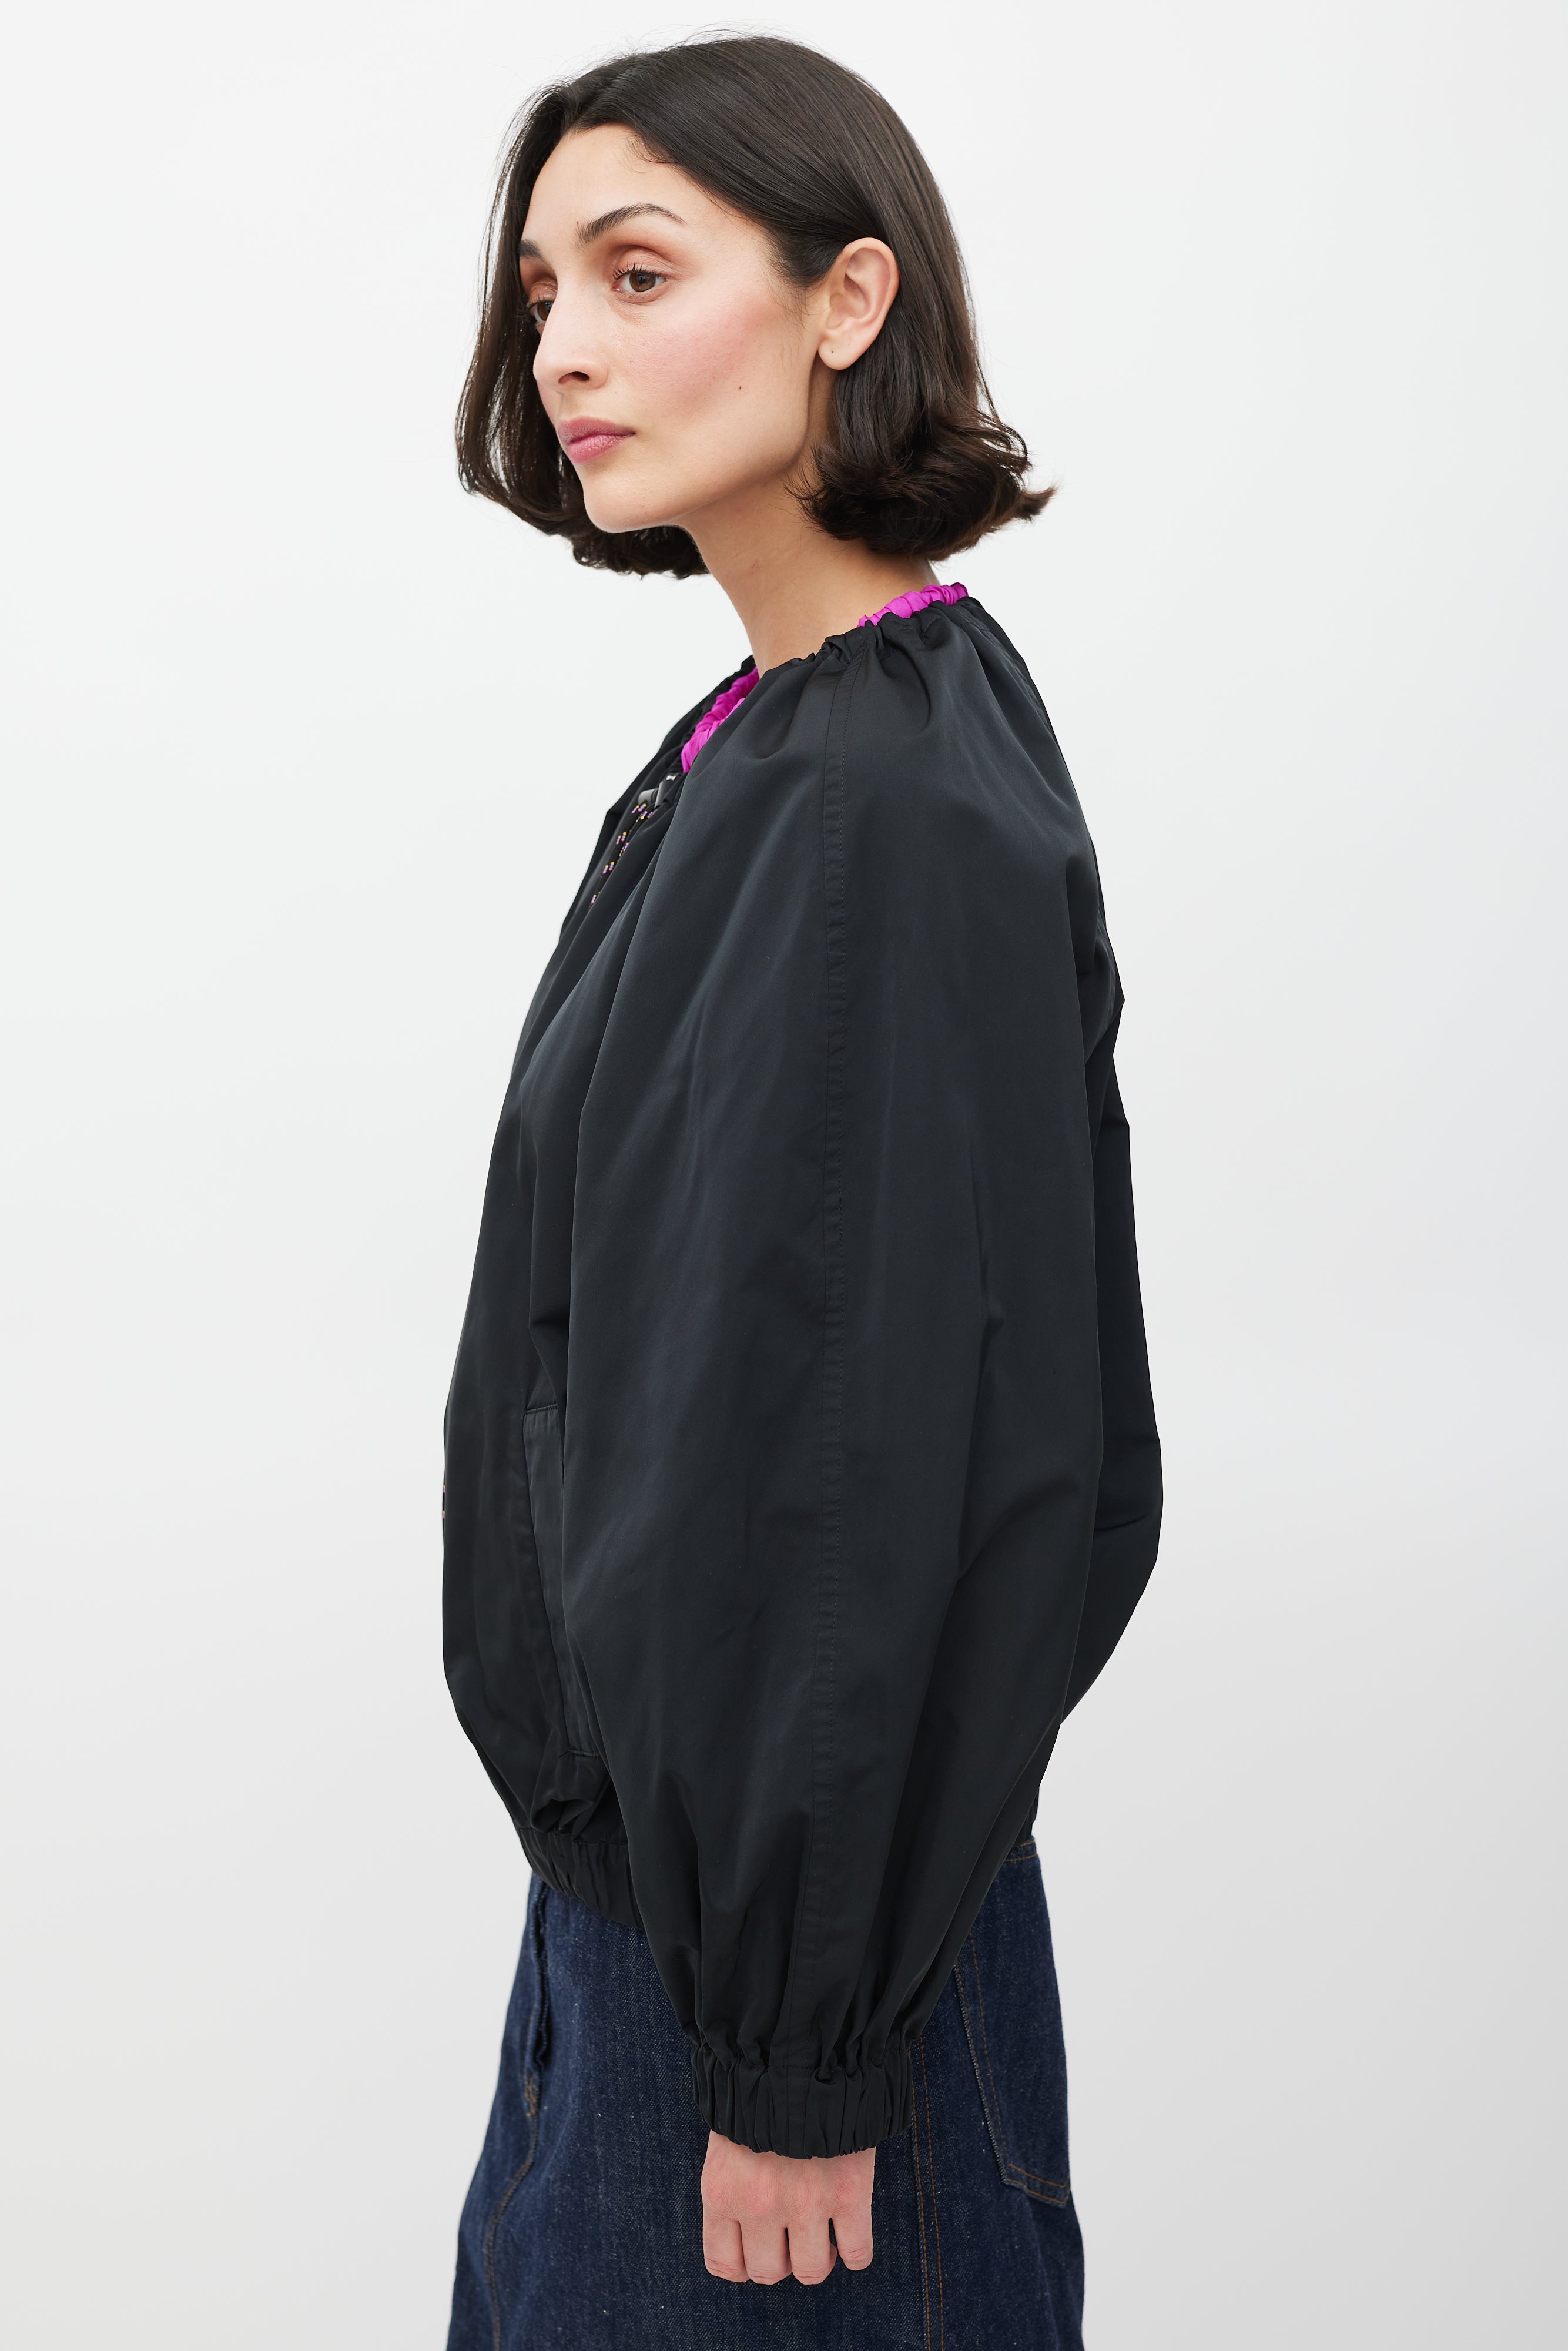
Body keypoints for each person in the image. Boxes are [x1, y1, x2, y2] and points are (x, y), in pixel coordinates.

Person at [440, 35, 1161, 2350]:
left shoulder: (872, 800)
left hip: (760, 2026)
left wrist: (793, 2035)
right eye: (542, 289)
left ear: (851, 298)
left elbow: (857, 1466)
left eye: (638, 274)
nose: (564, 347)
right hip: (671, 1961)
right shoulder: (795, 729)